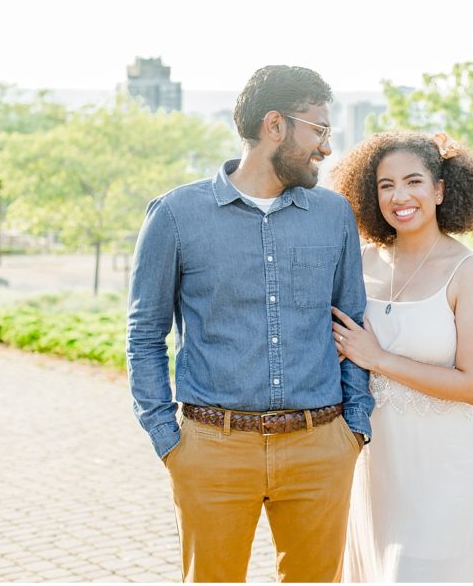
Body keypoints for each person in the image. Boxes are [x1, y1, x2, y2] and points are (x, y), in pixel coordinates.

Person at [126, 65, 373, 583]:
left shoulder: (334, 216)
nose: (327, 149)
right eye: (320, 131)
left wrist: (355, 427)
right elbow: (146, 333)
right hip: (211, 450)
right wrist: (166, 435)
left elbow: (353, 322)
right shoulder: (175, 215)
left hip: (321, 446)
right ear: (276, 125)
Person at [329, 131, 473, 582]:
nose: (399, 196)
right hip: (376, 456)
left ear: (440, 190)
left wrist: (378, 358)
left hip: (446, 461)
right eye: (386, 185)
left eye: (413, 182)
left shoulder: (468, 271)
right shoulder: (358, 262)